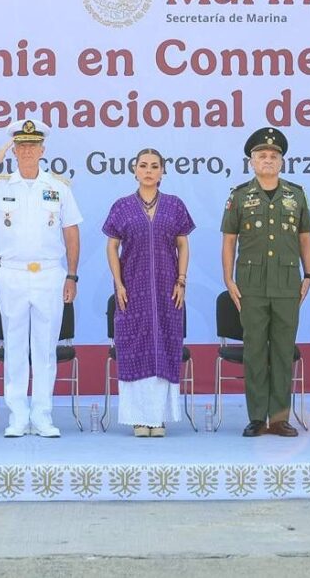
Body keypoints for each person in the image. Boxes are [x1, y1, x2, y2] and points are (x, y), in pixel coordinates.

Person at [0, 119, 82, 438]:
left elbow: (71, 232)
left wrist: (72, 275)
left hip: (49, 273)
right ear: (14, 150)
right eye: (21, 146)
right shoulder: (1, 184)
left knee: (45, 348)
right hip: (12, 273)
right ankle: (17, 416)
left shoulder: (58, 187)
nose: (27, 151)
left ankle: (42, 416)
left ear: (43, 150)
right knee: (14, 346)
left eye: (33, 145)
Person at [221, 127, 310, 437]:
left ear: (282, 161)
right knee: (256, 351)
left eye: (274, 156)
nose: (268, 160)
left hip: (287, 283)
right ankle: (258, 418)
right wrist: (228, 278)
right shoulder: (239, 196)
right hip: (251, 285)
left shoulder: (296, 195)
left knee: (283, 351)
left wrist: (309, 274)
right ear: (252, 161)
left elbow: (305, 237)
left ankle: (279, 419)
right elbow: (229, 240)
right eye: (262, 155)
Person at [104, 148, 195, 437]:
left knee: (164, 345)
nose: (148, 170)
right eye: (143, 165)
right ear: (135, 170)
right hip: (132, 289)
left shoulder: (175, 205)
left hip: (169, 289)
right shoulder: (121, 207)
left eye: (155, 166)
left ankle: (159, 418)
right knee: (134, 346)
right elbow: (112, 246)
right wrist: (118, 283)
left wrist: (181, 280)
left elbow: (183, 244)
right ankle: (138, 418)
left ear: (162, 172)